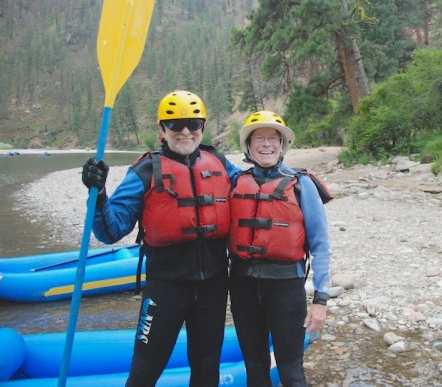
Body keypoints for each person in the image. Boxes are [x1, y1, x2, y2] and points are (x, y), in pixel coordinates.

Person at [81, 90, 240, 387]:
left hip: (213, 287)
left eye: (193, 124)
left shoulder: (218, 162)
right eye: (175, 123)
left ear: (202, 127)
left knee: (207, 370)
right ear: (162, 130)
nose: (185, 131)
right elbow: (110, 231)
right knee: (144, 371)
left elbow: (251, 192)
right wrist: (98, 193)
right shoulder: (145, 170)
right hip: (165, 288)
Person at [228, 110, 332, 386]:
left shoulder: (302, 185)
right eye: (258, 138)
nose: (266, 144)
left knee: (291, 370)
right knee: (255, 368)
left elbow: (321, 245)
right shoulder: (237, 182)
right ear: (248, 146)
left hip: (286, 288)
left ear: (282, 145)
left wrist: (320, 301)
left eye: (273, 138)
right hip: (242, 287)